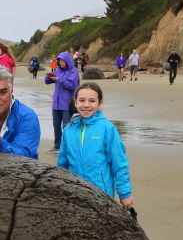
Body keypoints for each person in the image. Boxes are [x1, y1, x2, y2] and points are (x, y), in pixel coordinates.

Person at [57, 82, 133, 212]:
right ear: (75, 102)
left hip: (101, 193)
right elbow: (62, 164)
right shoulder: (68, 130)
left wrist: (124, 194)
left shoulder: (107, 128)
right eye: (81, 100)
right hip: (75, 192)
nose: (86, 105)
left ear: (99, 104)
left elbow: (119, 163)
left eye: (92, 101)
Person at [43, 51, 79, 153]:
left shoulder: (74, 71)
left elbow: (71, 85)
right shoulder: (58, 71)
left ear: (68, 61)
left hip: (67, 103)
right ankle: (57, 146)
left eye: (63, 61)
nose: (61, 63)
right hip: (56, 103)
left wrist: (58, 79)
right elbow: (47, 81)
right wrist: (48, 77)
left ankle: (68, 147)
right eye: (60, 61)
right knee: (56, 125)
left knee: (66, 126)